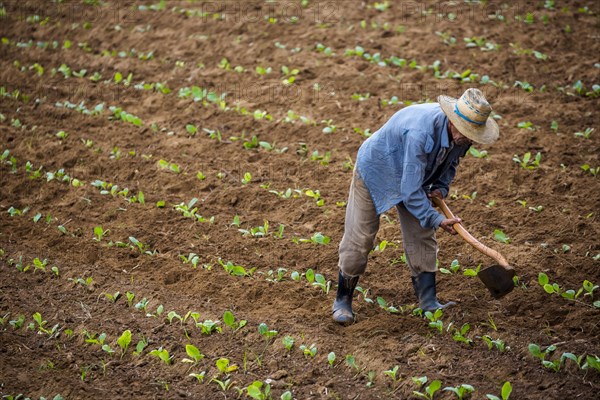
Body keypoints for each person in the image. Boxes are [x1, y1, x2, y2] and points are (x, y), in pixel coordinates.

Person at [333, 88, 499, 325]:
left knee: (422, 233)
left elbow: (450, 164)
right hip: (376, 170)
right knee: (360, 237)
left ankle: (429, 302)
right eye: (468, 133)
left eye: (474, 134)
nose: (470, 139)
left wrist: (441, 187)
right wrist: (437, 219)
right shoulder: (420, 133)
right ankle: (343, 300)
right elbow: (410, 192)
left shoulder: (462, 137)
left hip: (413, 174)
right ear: (453, 122)